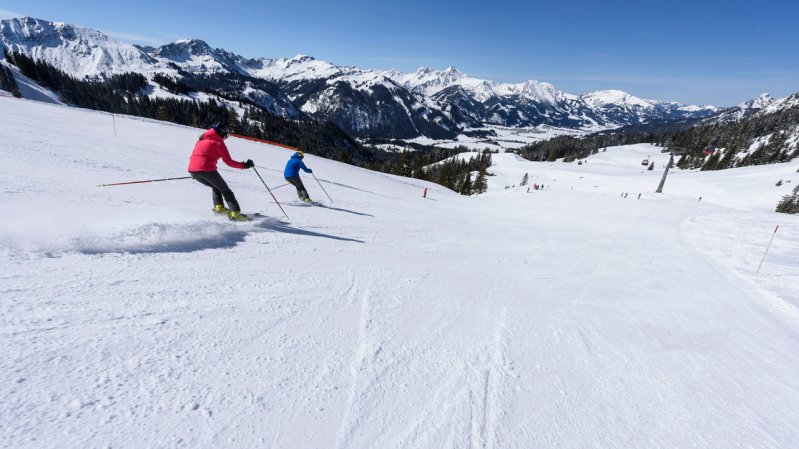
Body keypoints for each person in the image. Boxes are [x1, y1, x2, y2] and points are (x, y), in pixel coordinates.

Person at [188, 123, 254, 221]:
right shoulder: (218, 143)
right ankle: (235, 213)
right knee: (226, 191)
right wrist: (245, 165)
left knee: (216, 186)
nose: (225, 138)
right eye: (226, 135)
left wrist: (198, 169)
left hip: (192, 171)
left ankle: (219, 208)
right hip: (207, 170)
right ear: (221, 133)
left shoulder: (201, 140)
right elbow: (229, 162)